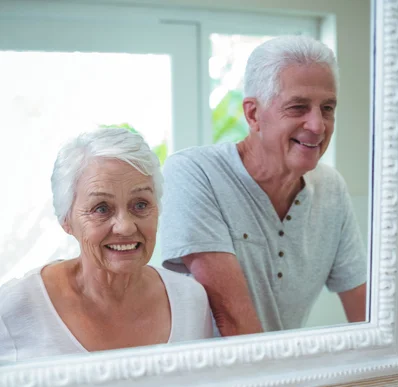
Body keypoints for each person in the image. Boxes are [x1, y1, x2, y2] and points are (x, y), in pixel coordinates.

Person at [160, 35, 367, 336]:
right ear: (253, 114)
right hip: (206, 378)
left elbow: (369, 316)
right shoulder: (194, 172)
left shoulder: (331, 188)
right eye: (298, 107)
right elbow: (233, 321)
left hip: (276, 374)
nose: (318, 125)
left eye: (327, 108)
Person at [0, 128, 213, 362]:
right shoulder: (14, 308)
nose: (125, 227)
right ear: (66, 221)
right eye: (101, 208)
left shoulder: (190, 300)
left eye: (140, 205)